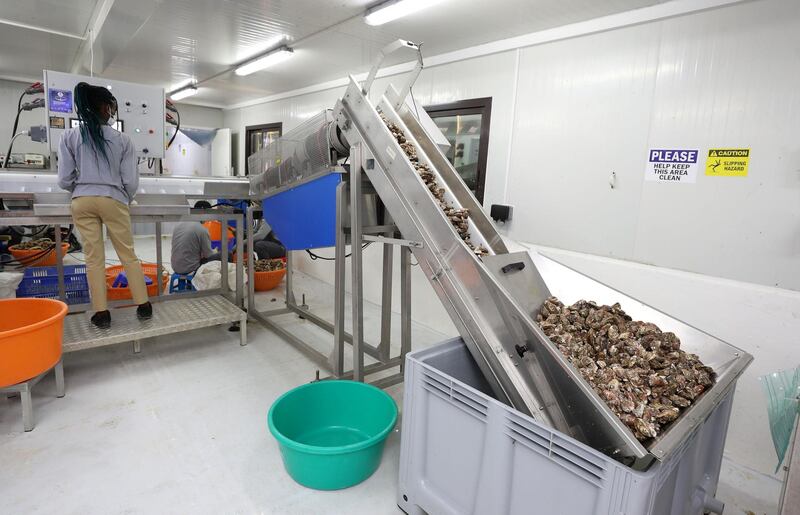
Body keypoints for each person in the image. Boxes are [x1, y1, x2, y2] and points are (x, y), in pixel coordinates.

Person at [57, 82, 151, 329]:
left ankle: (101, 313)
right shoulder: (122, 140)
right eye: (111, 106)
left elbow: (64, 179)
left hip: (82, 200)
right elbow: (130, 180)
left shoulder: (69, 136)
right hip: (113, 200)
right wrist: (124, 198)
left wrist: (80, 188)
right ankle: (143, 305)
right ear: (106, 107)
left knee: (93, 259)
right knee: (127, 254)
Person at [170, 200, 222, 275]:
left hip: (175, 266)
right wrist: (216, 250)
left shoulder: (179, 224)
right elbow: (209, 255)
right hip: (190, 268)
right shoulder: (201, 229)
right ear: (205, 213)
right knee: (225, 254)